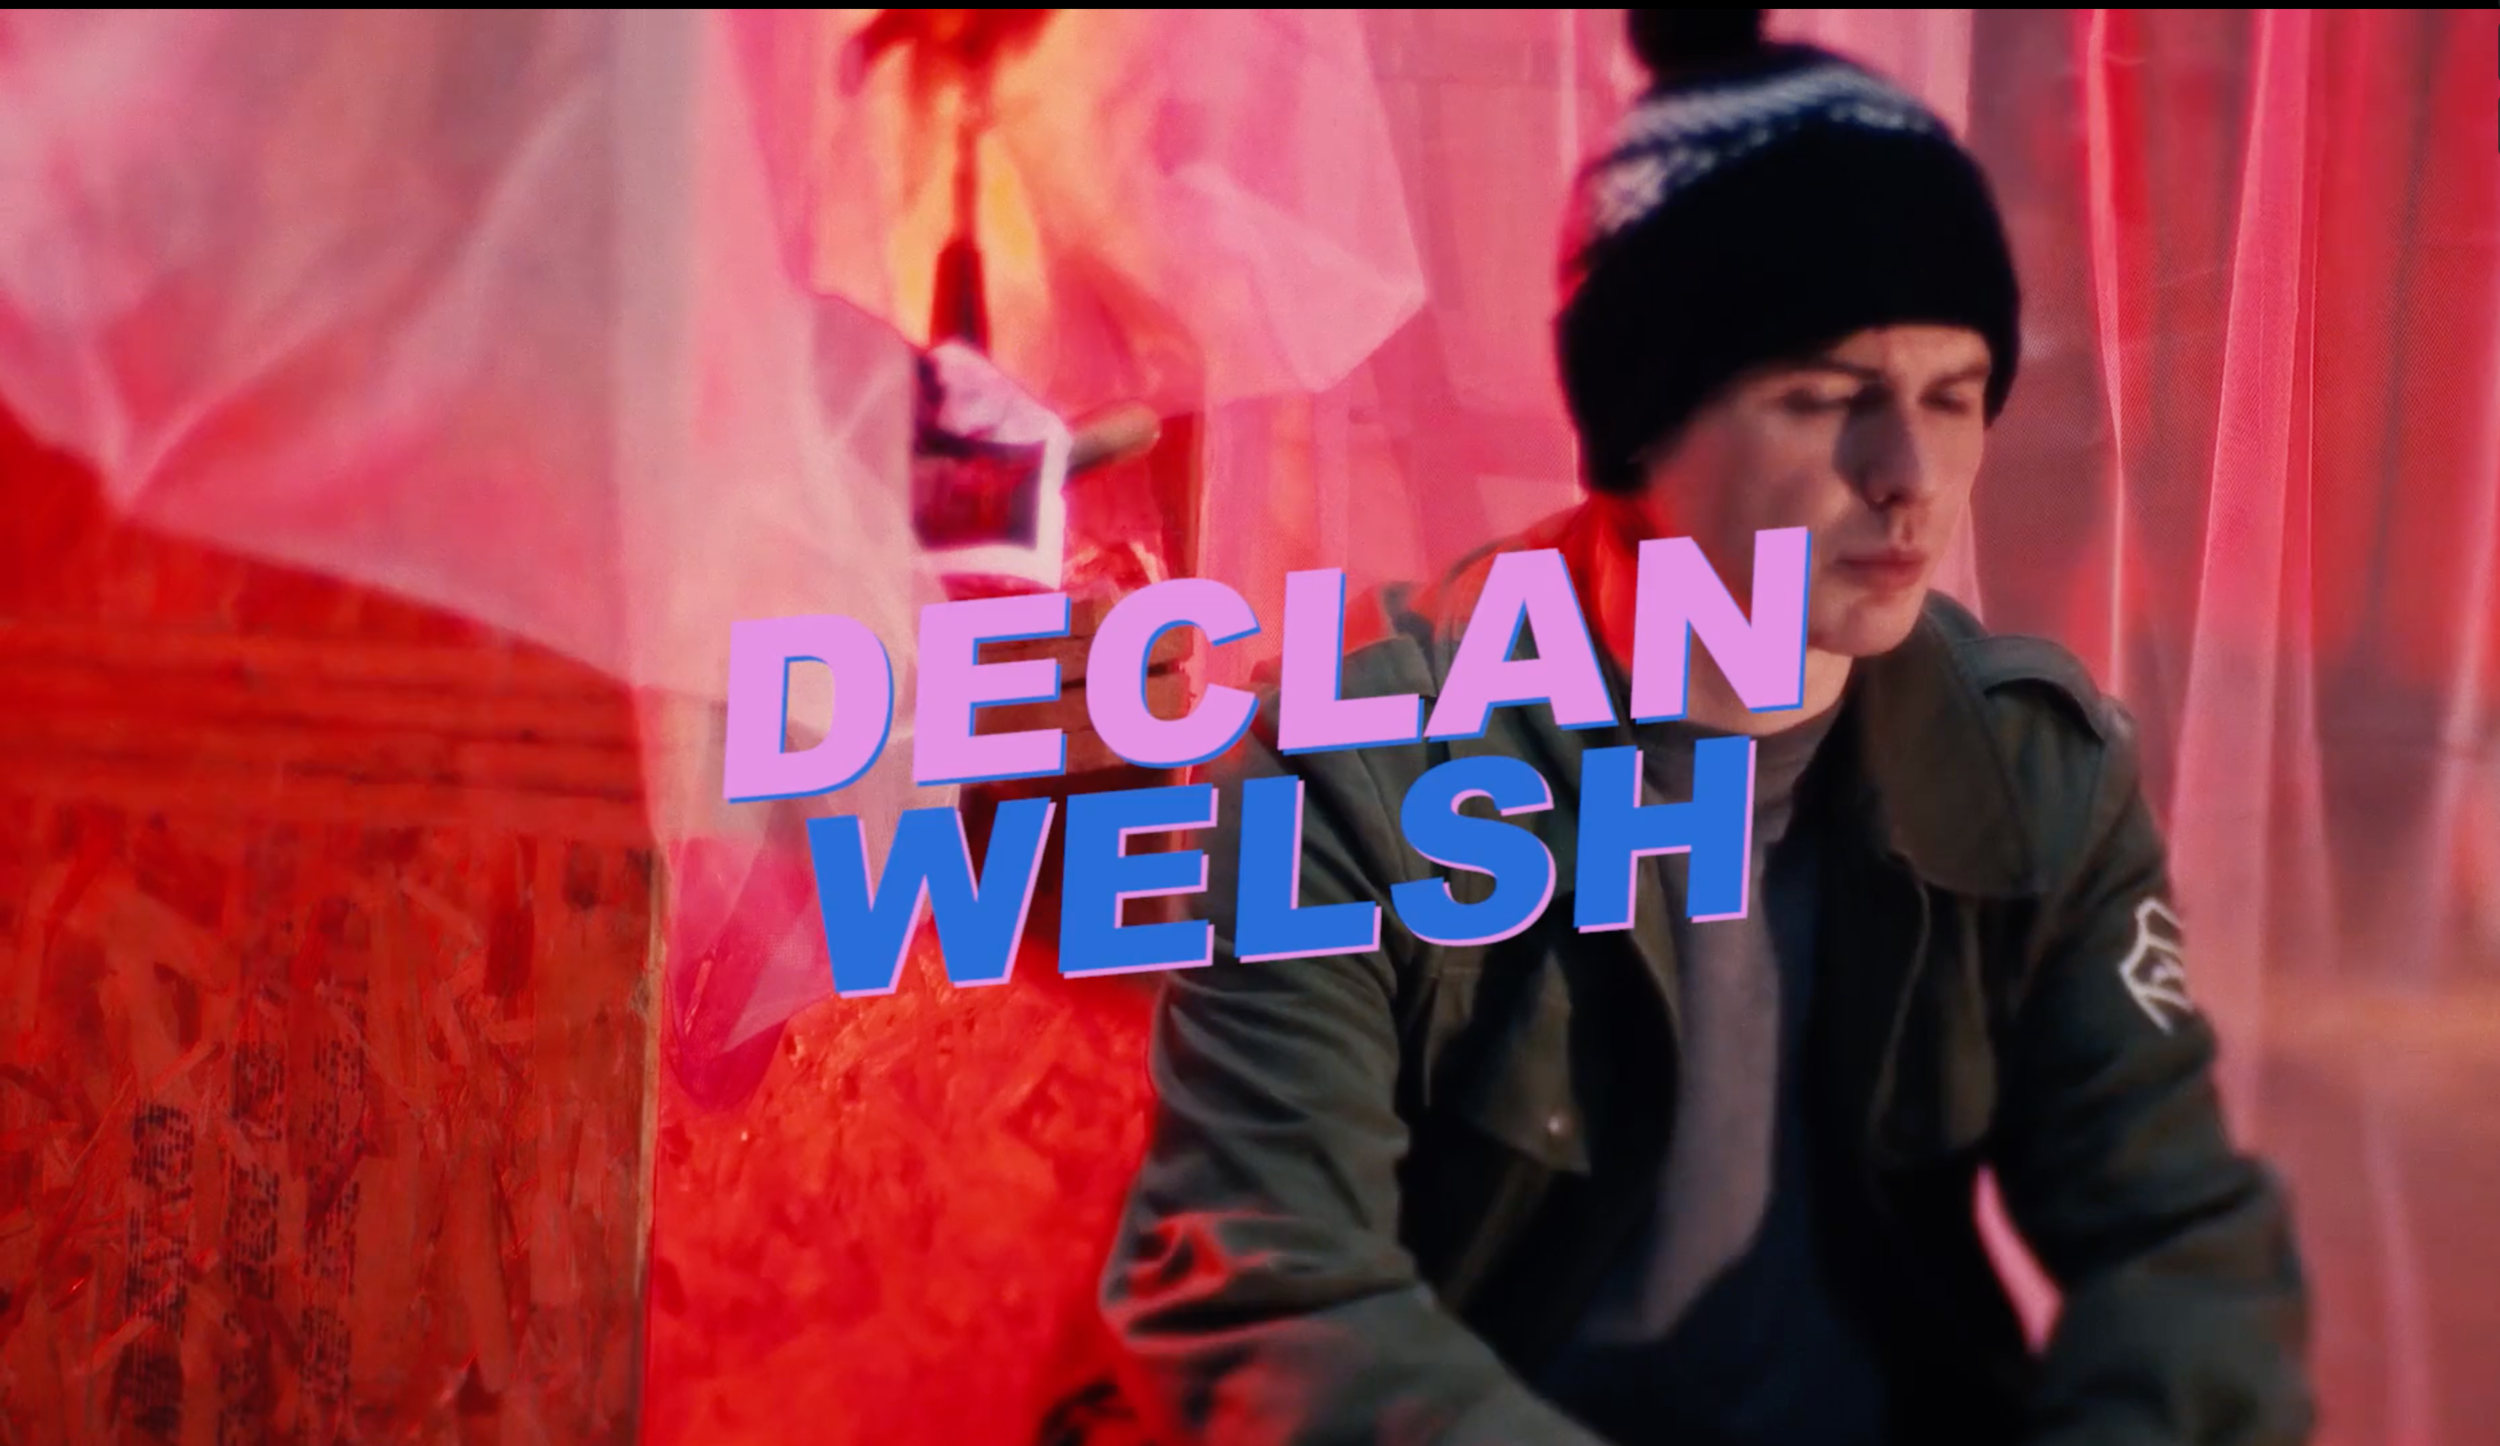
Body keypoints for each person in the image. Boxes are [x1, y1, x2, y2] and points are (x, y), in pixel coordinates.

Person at [1093, 11, 2314, 1446]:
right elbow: (1267, 1291)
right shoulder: (1346, 767)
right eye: (1825, 401)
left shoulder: (2037, 768)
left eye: (1954, 397)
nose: (1911, 476)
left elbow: (2185, 1253)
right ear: (1637, 425)